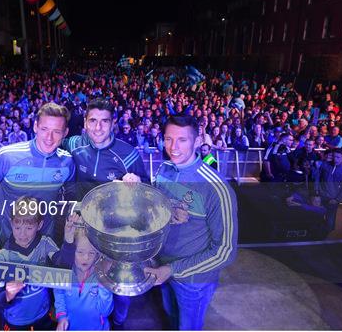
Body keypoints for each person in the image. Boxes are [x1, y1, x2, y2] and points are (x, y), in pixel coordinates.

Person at [144, 115, 238, 330]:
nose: (173, 147)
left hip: (193, 281)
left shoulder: (216, 187)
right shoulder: (163, 169)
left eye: (182, 140)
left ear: (197, 142)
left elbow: (225, 251)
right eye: (168, 139)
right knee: (172, 317)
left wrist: (172, 269)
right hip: (162, 268)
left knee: (188, 327)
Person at [62, 98, 149, 329]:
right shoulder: (73, 144)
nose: (98, 127)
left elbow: (149, 191)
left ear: (114, 124)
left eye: (104, 121)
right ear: (85, 124)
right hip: (83, 229)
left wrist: (138, 182)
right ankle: (80, 316)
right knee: (82, 276)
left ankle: (118, 321)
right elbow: (50, 144)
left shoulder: (128, 154)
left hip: (114, 232)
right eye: (93, 121)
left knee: (117, 284)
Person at [0, 102, 75, 259]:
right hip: (4, 246)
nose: (49, 137)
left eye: (57, 132)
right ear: (35, 127)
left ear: (65, 132)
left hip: (45, 251)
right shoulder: (6, 156)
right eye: (44, 129)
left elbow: (70, 200)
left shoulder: (68, 162)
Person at [0, 196, 78, 331]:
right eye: (17, 228)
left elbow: (63, 267)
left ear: (39, 225)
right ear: (11, 223)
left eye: (29, 228)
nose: (22, 234)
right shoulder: (4, 257)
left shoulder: (45, 243)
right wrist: (7, 295)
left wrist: (69, 240)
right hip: (15, 323)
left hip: (43, 317)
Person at [54, 227, 114, 331]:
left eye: (91, 253)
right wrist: (62, 318)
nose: (86, 258)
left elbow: (105, 311)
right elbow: (59, 296)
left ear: (97, 255)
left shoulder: (101, 277)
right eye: (80, 252)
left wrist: (105, 284)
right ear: (72, 251)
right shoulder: (64, 273)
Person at [316, 148, 342, 232]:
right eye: (334, 156)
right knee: (318, 215)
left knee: (330, 218)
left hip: (333, 198)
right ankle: (319, 232)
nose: (335, 159)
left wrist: (337, 199)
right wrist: (316, 192)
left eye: (338, 157)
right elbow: (317, 179)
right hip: (321, 195)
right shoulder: (325, 165)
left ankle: (328, 234)